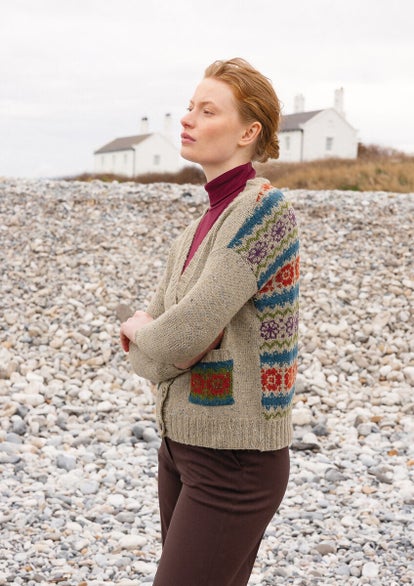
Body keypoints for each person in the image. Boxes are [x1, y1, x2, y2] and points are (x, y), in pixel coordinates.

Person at [120, 57, 300, 586]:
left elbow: (181, 335)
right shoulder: (198, 229)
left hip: (236, 460)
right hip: (180, 448)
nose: (187, 119)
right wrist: (159, 341)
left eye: (207, 110)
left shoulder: (264, 214)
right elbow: (158, 355)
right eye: (189, 107)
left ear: (249, 132)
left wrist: (143, 331)